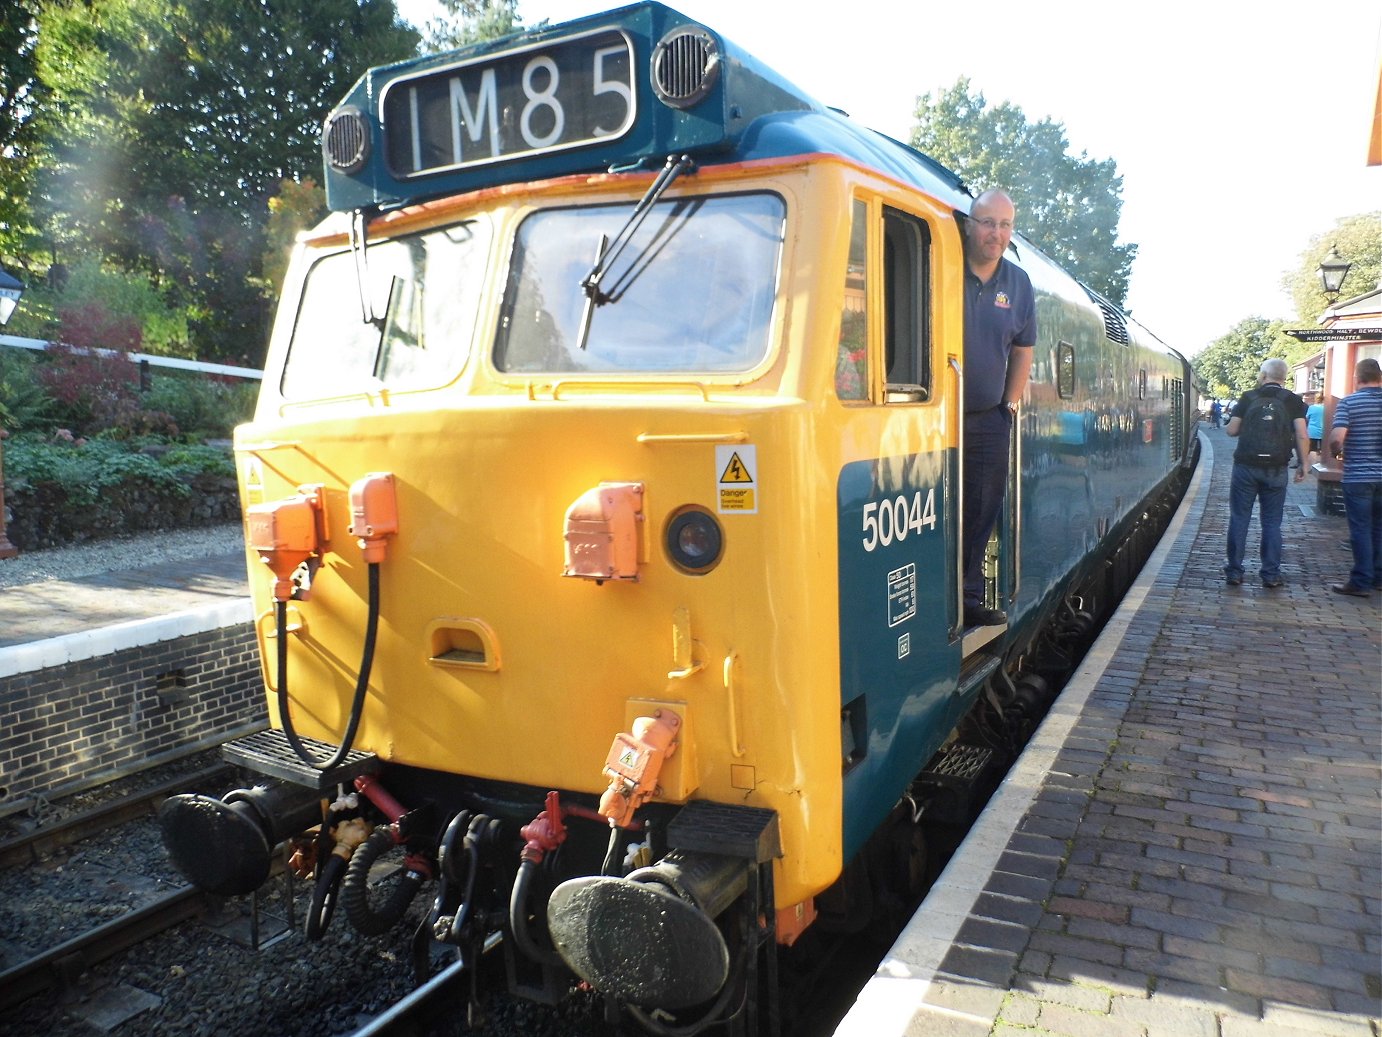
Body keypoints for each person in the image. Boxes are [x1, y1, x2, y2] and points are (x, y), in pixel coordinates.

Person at [961, 189, 1036, 627]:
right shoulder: (945, 266)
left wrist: (1008, 403)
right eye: (988, 222)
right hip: (933, 417)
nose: (996, 233)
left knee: (982, 508)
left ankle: (968, 598)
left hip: (988, 418)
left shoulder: (1018, 283)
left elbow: (1024, 348)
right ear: (970, 224)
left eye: (1005, 225)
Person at [1223, 358, 1309, 588]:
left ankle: (1234, 572)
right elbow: (1301, 434)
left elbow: (1232, 430)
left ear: (1263, 375)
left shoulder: (1248, 397)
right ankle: (1270, 575)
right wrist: (1304, 464)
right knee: (1272, 523)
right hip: (1276, 468)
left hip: (1245, 467)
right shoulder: (1293, 400)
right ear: (1284, 377)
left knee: (1239, 518)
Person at [1325, 357, 1382, 597]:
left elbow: (1337, 438)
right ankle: (1378, 578)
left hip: (1358, 476)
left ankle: (1360, 581)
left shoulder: (1349, 402)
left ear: (1357, 379)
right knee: (1379, 528)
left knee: (1360, 529)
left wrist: (1336, 452)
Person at [1305, 392, 1325, 463]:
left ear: (1315, 399)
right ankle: (1322, 464)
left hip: (1312, 431)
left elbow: (1307, 418)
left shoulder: (1311, 408)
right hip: (1323, 431)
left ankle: (1312, 466)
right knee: (1323, 449)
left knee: (1312, 449)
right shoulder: (1325, 408)